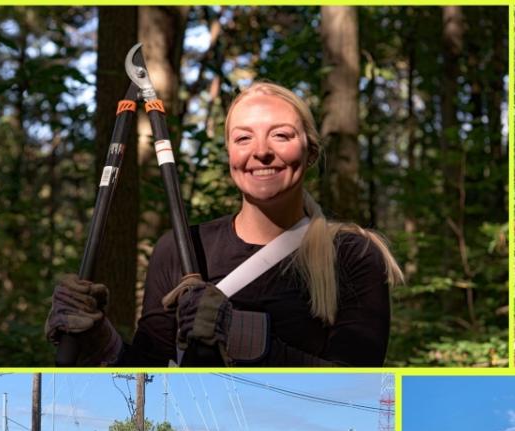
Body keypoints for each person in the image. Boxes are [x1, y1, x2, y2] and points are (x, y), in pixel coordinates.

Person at [47, 83, 403, 368]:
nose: (261, 151)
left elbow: (357, 387)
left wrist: (245, 338)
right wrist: (99, 342)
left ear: (310, 152)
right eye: (243, 138)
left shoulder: (353, 254)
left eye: (281, 135)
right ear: (230, 155)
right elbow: (150, 371)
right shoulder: (181, 248)